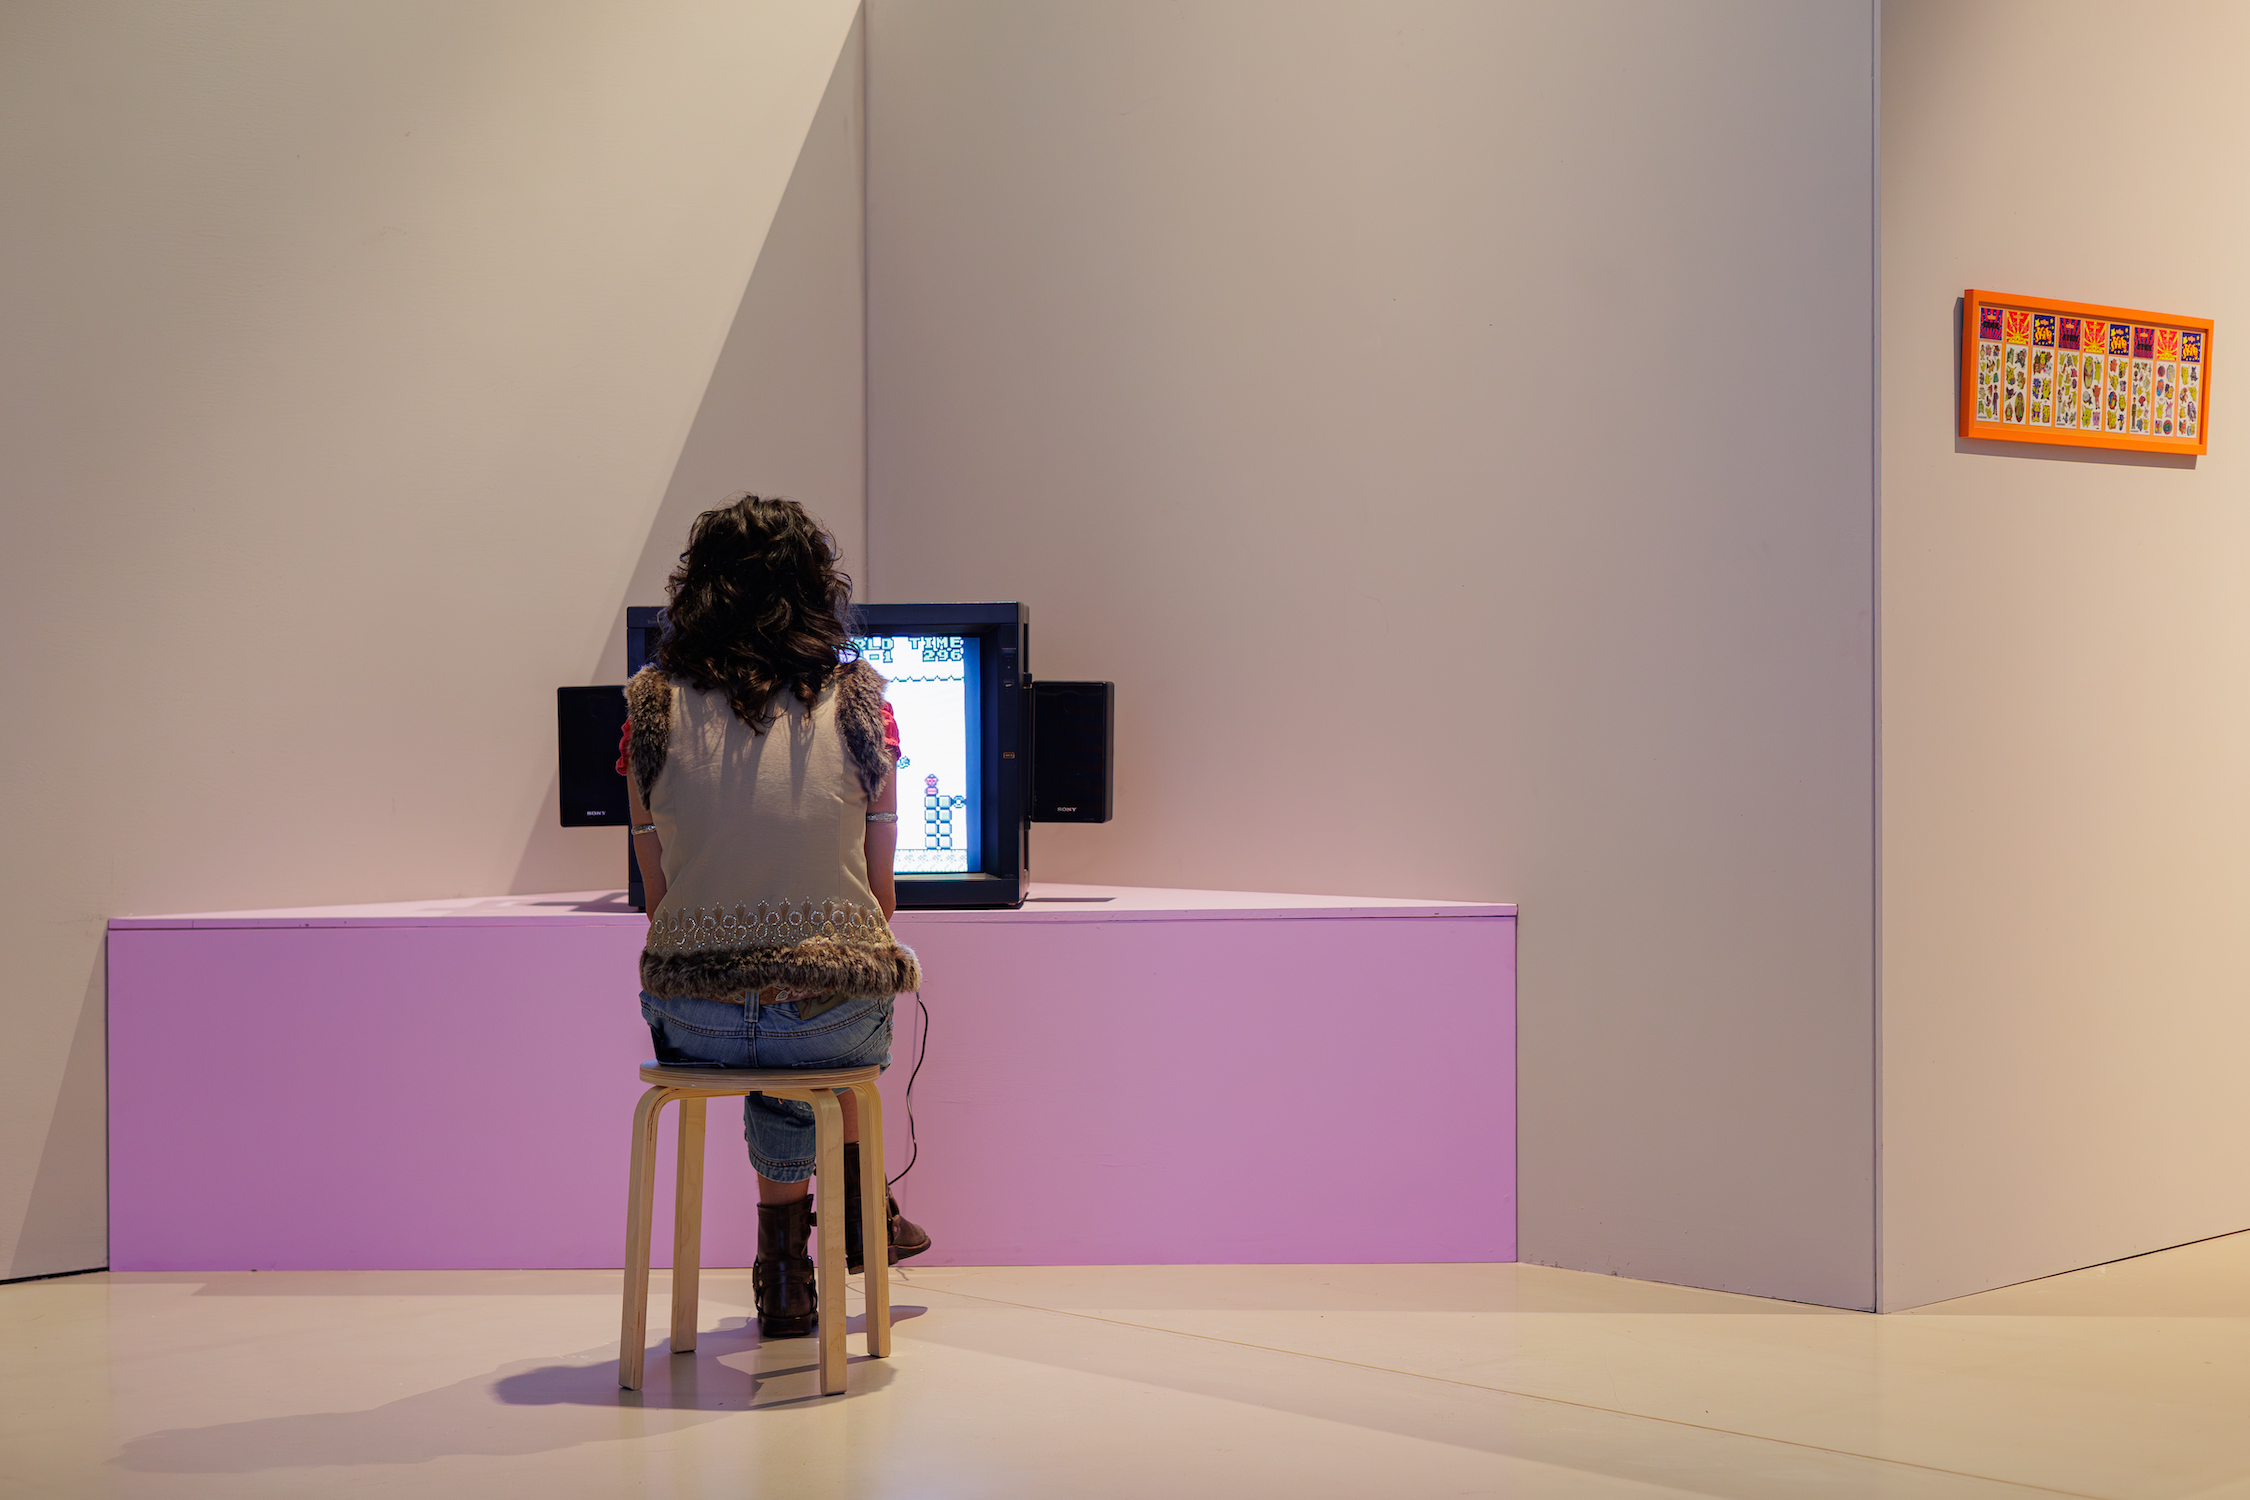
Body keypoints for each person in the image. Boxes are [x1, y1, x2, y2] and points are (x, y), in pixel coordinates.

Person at [620, 495, 931, 1339]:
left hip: (696, 1018)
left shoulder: (648, 705)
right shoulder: (863, 701)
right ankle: (846, 1224)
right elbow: (880, 896)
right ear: (817, 589)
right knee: (817, 1041)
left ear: (696, 589)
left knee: (773, 1038)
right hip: (831, 1016)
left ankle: (790, 1274)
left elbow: (655, 893)